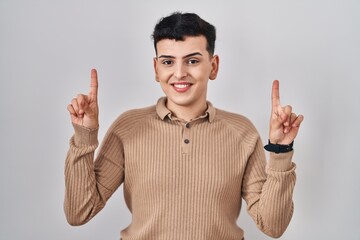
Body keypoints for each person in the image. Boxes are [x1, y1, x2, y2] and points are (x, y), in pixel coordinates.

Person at [64, 12, 304, 240]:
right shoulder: (127, 128)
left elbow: (272, 225)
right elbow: (79, 212)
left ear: (213, 66)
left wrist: (281, 151)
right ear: (156, 69)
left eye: (192, 60)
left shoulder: (242, 132)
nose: (179, 73)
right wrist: (85, 136)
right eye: (168, 61)